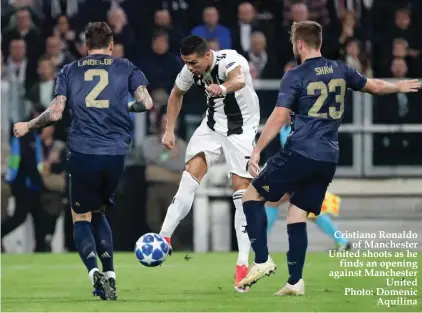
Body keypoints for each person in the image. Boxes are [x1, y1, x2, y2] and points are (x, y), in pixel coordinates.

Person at [236, 21, 420, 295]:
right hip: (328, 158)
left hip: (300, 150)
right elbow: (374, 86)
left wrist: (258, 148)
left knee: (250, 196)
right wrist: (398, 86)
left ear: (299, 44)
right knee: (297, 214)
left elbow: (279, 116)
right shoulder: (341, 69)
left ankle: (261, 260)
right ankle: (295, 281)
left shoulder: (295, 75)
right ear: (319, 42)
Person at [13, 22, 154, 300]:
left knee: (81, 216)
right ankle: (111, 274)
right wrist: (124, 106)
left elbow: (55, 114)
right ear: (111, 44)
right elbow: (146, 103)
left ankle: (94, 273)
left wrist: (28, 125)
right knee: (100, 211)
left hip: (83, 153)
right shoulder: (125, 66)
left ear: (86, 46)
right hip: (115, 154)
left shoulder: (70, 69)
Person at [159, 35, 260, 292]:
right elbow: (175, 95)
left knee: (241, 194)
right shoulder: (190, 69)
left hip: (242, 130)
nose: (190, 68)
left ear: (207, 55)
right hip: (213, 126)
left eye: (193, 63)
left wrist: (222, 88)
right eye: (186, 63)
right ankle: (163, 238)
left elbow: (238, 80)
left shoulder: (230, 60)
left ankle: (242, 266)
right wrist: (170, 130)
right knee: (189, 177)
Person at [265, 124, 350, 251]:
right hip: (295, 173)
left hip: (301, 174)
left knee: (273, 202)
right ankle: (341, 240)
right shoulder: (284, 128)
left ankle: (260, 239)